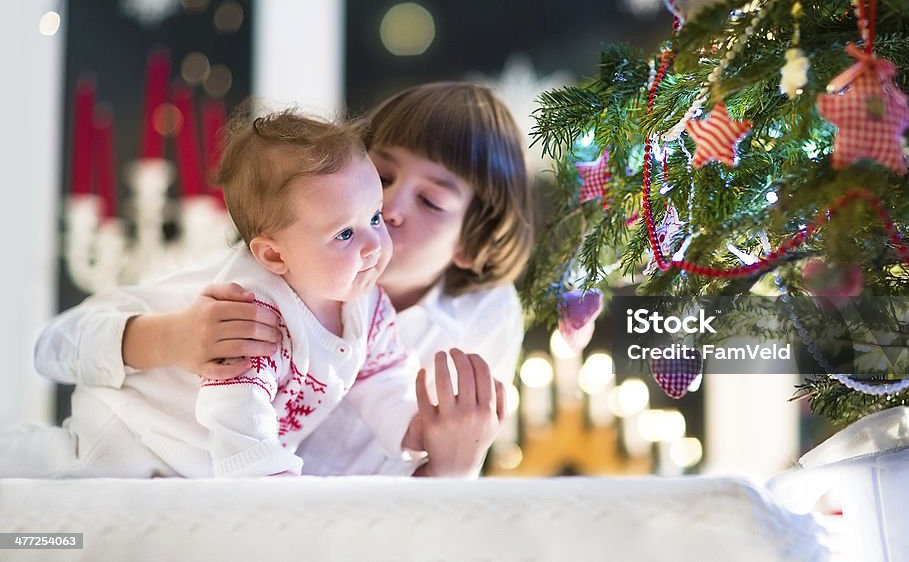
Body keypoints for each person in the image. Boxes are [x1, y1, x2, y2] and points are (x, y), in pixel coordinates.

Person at [33, 82, 533, 477]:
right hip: (126, 441)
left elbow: (383, 382)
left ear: (473, 243)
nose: (391, 213)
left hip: (219, 500)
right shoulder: (249, 294)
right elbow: (54, 346)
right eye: (382, 179)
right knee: (44, 484)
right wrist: (170, 338)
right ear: (273, 253)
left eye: (430, 201)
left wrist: (426, 437)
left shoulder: (388, 308)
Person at [5, 111, 430, 478]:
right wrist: (273, 482)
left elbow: (383, 378)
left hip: (197, 465)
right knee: (68, 468)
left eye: (374, 216)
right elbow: (238, 411)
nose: (374, 243)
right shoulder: (252, 310)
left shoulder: (368, 308)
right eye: (343, 234)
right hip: (134, 426)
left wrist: (413, 429)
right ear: (273, 255)